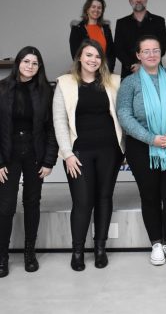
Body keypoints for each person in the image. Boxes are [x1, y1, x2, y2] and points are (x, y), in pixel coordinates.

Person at [117, 35, 166, 266]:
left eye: (155, 50)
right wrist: (151, 139)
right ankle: (156, 243)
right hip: (142, 148)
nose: (151, 54)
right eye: (146, 51)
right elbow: (124, 115)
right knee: (150, 197)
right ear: (138, 55)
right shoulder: (130, 83)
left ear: (161, 53)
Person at [52, 39, 124, 271]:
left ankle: (100, 249)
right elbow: (59, 121)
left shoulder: (114, 81)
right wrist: (67, 154)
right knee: (82, 202)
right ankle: (78, 251)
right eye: (89, 55)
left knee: (104, 198)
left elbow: (122, 115)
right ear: (80, 58)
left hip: (109, 151)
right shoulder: (64, 83)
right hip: (78, 153)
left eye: (97, 56)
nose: (93, 60)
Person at [0, 47, 57, 278]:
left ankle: (29, 253)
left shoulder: (46, 91)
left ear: (39, 67)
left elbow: (51, 128)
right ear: (18, 63)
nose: (30, 66)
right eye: (26, 61)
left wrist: (49, 160)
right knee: (5, 206)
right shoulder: (2, 88)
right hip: (8, 154)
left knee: (32, 203)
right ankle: (2, 257)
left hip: (35, 154)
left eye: (35, 63)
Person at [114, 0, 166, 79]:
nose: (138, 0)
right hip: (130, 72)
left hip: (154, 71)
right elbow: (118, 48)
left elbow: (162, 46)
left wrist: (143, 65)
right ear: (130, 1)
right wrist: (132, 65)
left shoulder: (159, 21)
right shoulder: (122, 23)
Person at [69, 0, 116, 72]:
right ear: (87, 9)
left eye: (99, 8)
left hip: (105, 72)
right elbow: (76, 55)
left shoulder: (106, 28)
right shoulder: (77, 29)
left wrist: (109, 70)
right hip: (86, 72)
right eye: (93, 7)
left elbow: (111, 53)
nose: (96, 10)